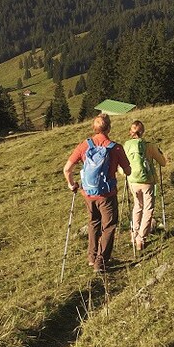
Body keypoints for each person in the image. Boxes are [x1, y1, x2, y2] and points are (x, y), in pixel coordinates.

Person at [63, 113, 131, 272]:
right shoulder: (115, 147)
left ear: (94, 128)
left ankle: (92, 258)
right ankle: (101, 262)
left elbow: (67, 169)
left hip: (88, 193)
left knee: (93, 222)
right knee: (109, 226)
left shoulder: (84, 146)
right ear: (109, 128)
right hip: (107, 195)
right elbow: (127, 171)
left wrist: (72, 184)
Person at [125, 119, 169, 251]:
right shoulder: (149, 145)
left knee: (137, 206)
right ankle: (141, 238)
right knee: (148, 208)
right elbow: (163, 162)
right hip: (148, 181)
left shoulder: (126, 145)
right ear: (143, 132)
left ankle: (134, 234)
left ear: (130, 132)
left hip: (132, 181)